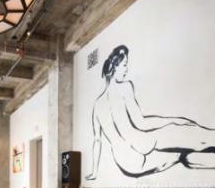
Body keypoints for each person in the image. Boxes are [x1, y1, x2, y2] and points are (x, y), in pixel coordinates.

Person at [86, 45, 215, 179]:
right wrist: (173, 120)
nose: (126, 69)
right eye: (124, 65)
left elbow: (97, 140)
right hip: (142, 143)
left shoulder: (97, 105)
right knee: (193, 137)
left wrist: (94, 173)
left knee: (183, 157)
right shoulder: (125, 87)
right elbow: (141, 123)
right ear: (115, 66)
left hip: (128, 162)